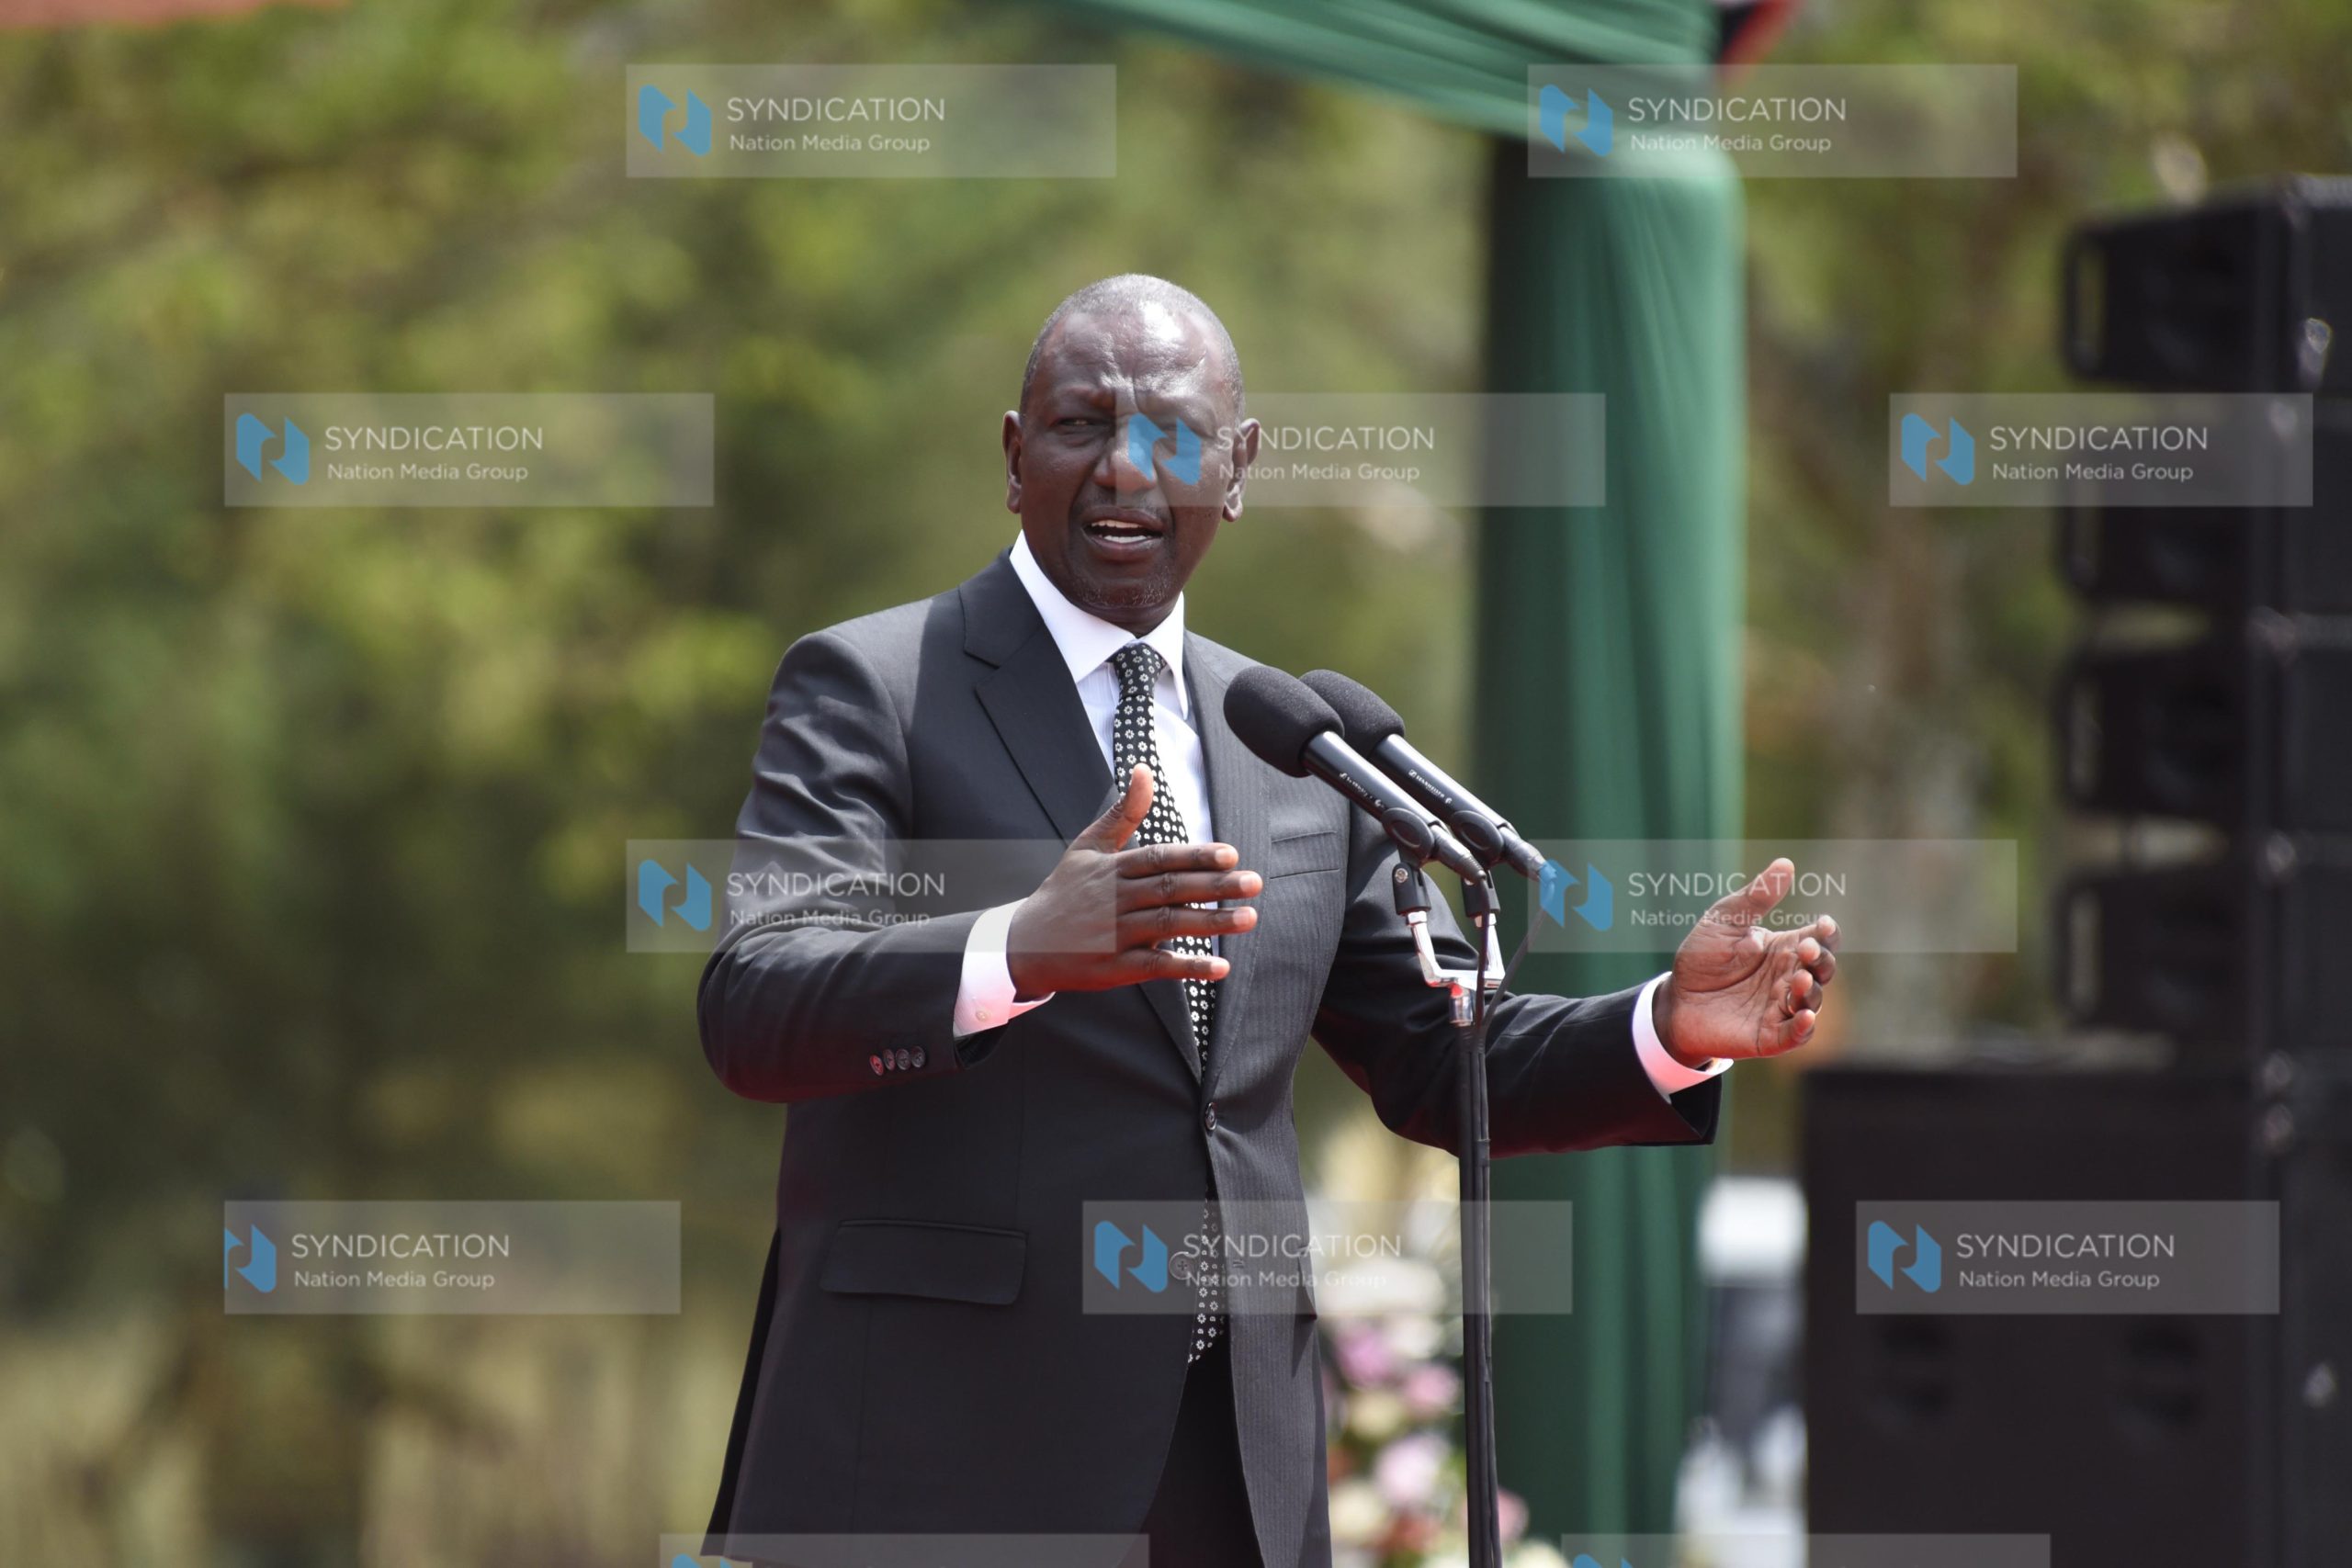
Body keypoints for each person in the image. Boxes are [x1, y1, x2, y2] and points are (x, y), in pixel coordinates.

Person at [697, 274, 1838, 1568]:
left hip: (1231, 1475)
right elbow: (756, 1000)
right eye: (1080, 425)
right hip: (935, 1463)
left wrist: (1669, 1029)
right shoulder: (875, 686)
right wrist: (1014, 949)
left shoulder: (1294, 746)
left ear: (1236, 469)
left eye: (1173, 435)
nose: (1126, 468)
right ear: (1014, 458)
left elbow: (1439, 1057)